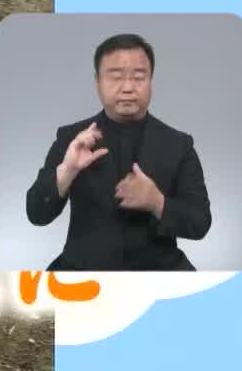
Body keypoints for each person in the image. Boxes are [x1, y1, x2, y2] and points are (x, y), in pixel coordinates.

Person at [23, 34, 212, 271]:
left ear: (151, 80)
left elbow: (200, 223)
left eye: (139, 77)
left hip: (159, 271)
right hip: (82, 270)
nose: (128, 88)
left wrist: (157, 202)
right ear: (97, 82)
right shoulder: (71, 138)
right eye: (115, 77)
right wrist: (67, 172)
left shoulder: (179, 144)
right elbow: (36, 213)